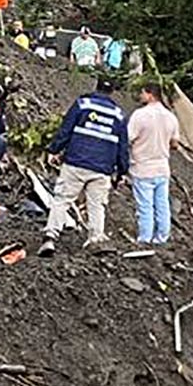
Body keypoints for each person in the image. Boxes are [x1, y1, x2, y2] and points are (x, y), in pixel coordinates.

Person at [38, 75, 129, 257]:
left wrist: (54, 150)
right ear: (112, 92)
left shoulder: (82, 104)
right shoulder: (119, 115)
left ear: (97, 87)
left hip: (76, 162)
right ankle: (95, 240)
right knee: (97, 205)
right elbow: (122, 147)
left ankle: (50, 237)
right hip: (102, 167)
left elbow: (65, 130)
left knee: (62, 199)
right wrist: (122, 172)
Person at [127, 80, 182, 246]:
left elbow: (128, 138)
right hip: (162, 168)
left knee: (145, 206)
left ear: (150, 94)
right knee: (162, 205)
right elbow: (175, 144)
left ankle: (145, 237)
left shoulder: (139, 115)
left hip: (143, 167)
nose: (140, 96)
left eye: (143, 93)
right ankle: (162, 237)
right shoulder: (171, 117)